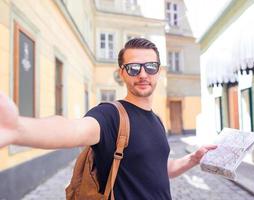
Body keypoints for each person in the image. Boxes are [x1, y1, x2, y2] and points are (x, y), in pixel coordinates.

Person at [0, 38, 217, 199]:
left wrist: (193, 159)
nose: (142, 74)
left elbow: (160, 169)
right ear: (121, 73)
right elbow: (73, 129)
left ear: (158, 71)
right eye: (133, 68)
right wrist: (18, 129)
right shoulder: (111, 115)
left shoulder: (157, 121)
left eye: (150, 67)